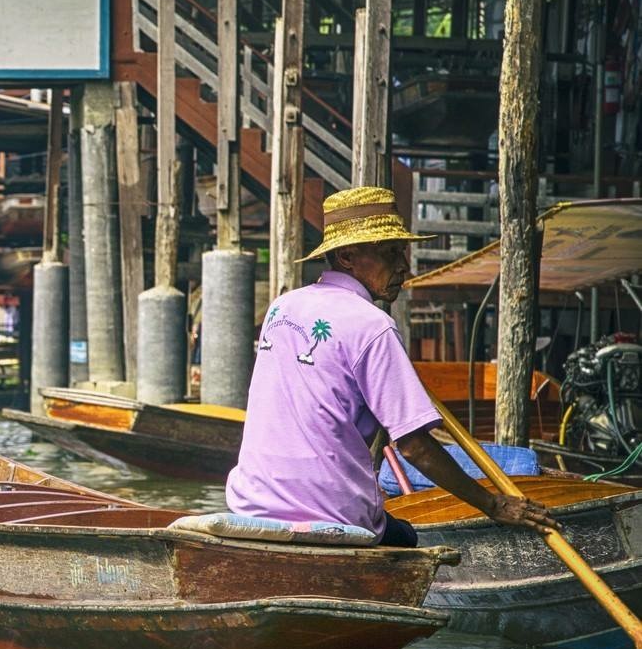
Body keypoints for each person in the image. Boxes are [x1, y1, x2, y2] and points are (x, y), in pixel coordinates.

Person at [225, 187, 559, 547]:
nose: (404, 265)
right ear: (347, 256)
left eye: (401, 251)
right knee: (409, 538)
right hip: (333, 514)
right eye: (390, 253)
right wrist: (493, 504)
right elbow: (415, 448)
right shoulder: (372, 325)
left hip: (251, 503)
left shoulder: (282, 307)